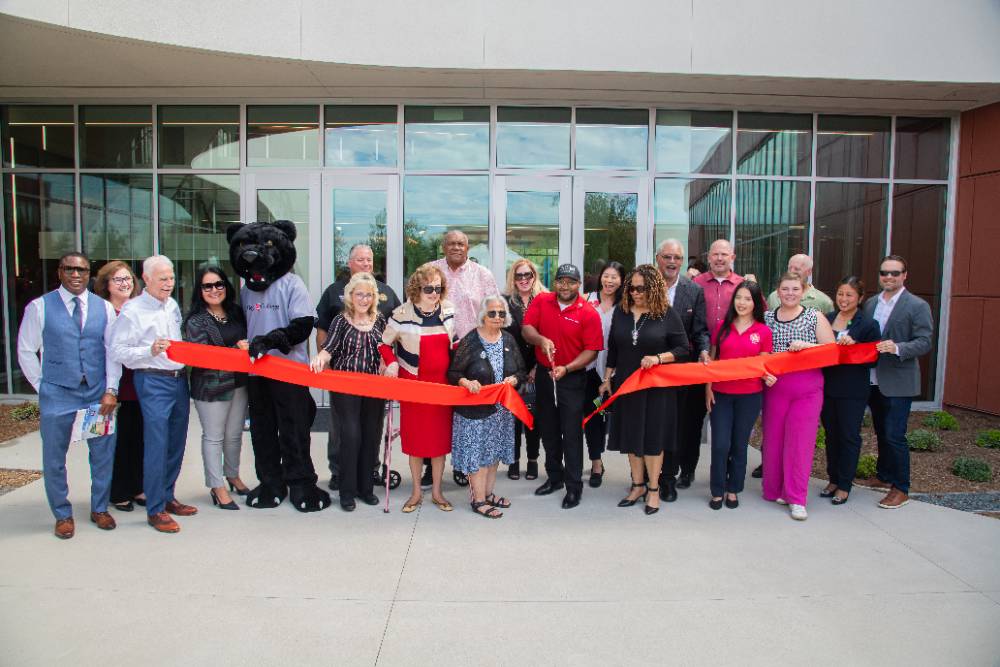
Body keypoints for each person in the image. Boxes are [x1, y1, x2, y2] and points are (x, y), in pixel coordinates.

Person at [16, 252, 121, 539]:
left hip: (95, 395)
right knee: (54, 457)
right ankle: (62, 513)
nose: (76, 275)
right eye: (70, 269)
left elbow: (112, 352)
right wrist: (43, 386)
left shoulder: (103, 308)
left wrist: (111, 390)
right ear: (60, 272)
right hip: (58, 394)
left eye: (82, 270)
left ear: (90, 274)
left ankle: (99, 508)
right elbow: (26, 349)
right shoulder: (40, 307)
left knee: (101, 454)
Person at [109, 255, 195, 534]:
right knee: (156, 444)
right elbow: (117, 351)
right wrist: (149, 351)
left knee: (176, 442)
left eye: (171, 278)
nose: (169, 284)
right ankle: (155, 509)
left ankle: (167, 496)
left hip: (179, 379)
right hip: (153, 381)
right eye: (163, 279)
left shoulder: (170, 305)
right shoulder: (133, 311)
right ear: (146, 280)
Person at [602, 265, 689, 515]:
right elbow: (614, 349)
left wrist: (659, 358)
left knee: (652, 439)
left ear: (653, 288)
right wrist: (607, 378)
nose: (635, 293)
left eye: (641, 288)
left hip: (656, 387)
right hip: (627, 385)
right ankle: (637, 485)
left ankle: (653, 489)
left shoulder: (666, 314)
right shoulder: (622, 311)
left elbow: (684, 349)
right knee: (631, 437)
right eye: (631, 288)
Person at [315, 244, 400, 492]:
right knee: (343, 429)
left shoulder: (386, 292)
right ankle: (339, 472)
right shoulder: (334, 292)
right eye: (361, 259)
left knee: (372, 428)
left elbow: (394, 330)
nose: (366, 264)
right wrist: (325, 362)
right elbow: (323, 330)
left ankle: (368, 472)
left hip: (374, 377)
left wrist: (390, 362)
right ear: (350, 262)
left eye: (370, 260)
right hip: (343, 376)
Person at [521, 263, 604, 509]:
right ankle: (555, 478)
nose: (565, 286)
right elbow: (527, 329)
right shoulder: (541, 301)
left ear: (579, 285)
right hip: (546, 376)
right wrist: (541, 339)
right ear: (555, 282)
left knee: (571, 434)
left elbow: (592, 352)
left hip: (572, 378)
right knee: (548, 429)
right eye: (561, 281)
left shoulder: (588, 312)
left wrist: (567, 368)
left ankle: (573, 486)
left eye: (570, 282)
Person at [380, 263, 458, 512]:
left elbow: (455, 344)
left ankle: (437, 491)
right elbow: (384, 344)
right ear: (416, 289)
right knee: (415, 442)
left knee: (438, 442)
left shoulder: (448, 310)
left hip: (441, 387)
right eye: (428, 288)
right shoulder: (401, 313)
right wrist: (391, 363)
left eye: (438, 288)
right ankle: (415, 492)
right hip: (412, 385)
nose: (434, 293)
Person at [761, 272, 836, 521]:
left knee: (800, 441)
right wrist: (764, 373)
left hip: (807, 386)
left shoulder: (815, 317)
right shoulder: (767, 317)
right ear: (777, 292)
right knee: (774, 440)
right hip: (776, 386)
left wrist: (807, 347)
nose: (790, 293)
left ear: (803, 291)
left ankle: (797, 497)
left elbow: (832, 352)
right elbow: (760, 353)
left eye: (795, 289)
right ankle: (776, 489)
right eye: (785, 289)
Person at [310, 272, 387, 511]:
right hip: (347, 388)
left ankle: (366, 489)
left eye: (368, 295)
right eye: (359, 294)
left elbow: (386, 350)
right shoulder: (341, 321)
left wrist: (388, 364)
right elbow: (329, 348)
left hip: (374, 388)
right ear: (350, 297)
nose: (364, 299)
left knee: (370, 437)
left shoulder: (380, 320)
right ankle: (347, 492)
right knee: (351, 437)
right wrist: (319, 358)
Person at [862, 255, 933, 509]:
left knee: (894, 434)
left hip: (899, 380)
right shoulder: (871, 303)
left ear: (905, 275)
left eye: (894, 273)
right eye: (884, 273)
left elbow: (925, 341)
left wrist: (898, 347)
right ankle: (884, 475)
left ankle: (901, 487)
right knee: (881, 431)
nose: (889, 277)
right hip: (873, 378)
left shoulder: (917, 305)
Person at [448, 296, 527, 518]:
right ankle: (478, 499)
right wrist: (466, 382)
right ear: (483, 315)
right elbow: (454, 373)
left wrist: (514, 380)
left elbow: (521, 371)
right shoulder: (470, 341)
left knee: (493, 456)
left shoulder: (509, 340)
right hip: (474, 411)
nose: (497, 317)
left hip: (501, 411)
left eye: (501, 313)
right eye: (492, 313)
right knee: (479, 457)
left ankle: (489, 494)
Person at [431, 230, 499, 487]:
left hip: (472, 351)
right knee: (436, 410)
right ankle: (432, 464)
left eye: (461, 243)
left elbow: (493, 312)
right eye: (451, 243)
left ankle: (462, 465)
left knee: (466, 412)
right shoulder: (431, 271)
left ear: (468, 247)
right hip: (437, 348)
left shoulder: (483, 275)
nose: (456, 247)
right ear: (443, 246)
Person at [183, 266, 250, 511]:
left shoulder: (235, 312)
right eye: (207, 286)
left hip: (239, 382)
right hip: (211, 387)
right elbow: (202, 357)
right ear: (199, 290)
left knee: (234, 436)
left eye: (219, 284)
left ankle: (233, 476)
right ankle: (216, 485)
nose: (214, 290)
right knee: (214, 437)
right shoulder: (195, 320)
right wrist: (236, 351)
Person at [705, 281, 774, 510]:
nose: (742, 303)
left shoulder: (763, 332)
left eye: (747, 299)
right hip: (721, 395)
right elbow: (712, 363)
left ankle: (733, 489)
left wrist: (769, 376)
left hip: (749, 396)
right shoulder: (722, 328)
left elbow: (763, 365)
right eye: (738, 298)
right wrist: (708, 389)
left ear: (755, 303)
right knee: (720, 445)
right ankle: (717, 490)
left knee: (739, 445)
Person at [655, 239, 710, 500]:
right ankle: (645, 477)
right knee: (652, 424)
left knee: (677, 425)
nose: (672, 262)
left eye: (677, 257)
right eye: (667, 257)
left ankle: (671, 476)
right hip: (649, 369)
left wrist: (704, 350)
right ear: (658, 258)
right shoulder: (645, 285)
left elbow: (700, 331)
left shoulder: (694, 290)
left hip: (681, 370)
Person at [820, 276, 881, 506]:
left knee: (848, 436)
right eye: (840, 294)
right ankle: (833, 479)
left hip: (852, 391)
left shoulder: (867, 324)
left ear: (860, 298)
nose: (843, 299)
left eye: (849, 295)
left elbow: (874, 359)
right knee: (831, 435)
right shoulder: (827, 319)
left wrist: (854, 349)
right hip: (827, 387)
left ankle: (845, 484)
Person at [93, 261, 145, 513]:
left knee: (137, 437)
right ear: (106, 285)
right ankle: (118, 490)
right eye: (118, 280)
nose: (125, 284)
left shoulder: (137, 308)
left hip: (138, 381)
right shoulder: (102, 311)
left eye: (128, 279)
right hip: (113, 384)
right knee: (117, 440)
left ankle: (137, 486)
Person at [503, 258, 546, 481]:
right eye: (518, 276)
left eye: (527, 275)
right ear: (513, 278)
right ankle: (513, 461)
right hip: (511, 368)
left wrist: (539, 367)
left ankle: (532, 461)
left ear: (534, 276)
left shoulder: (545, 300)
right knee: (512, 418)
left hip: (537, 367)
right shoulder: (505, 302)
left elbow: (549, 335)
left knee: (533, 418)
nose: (523, 280)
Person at [583, 261, 624, 488]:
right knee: (592, 418)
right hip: (589, 369)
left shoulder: (626, 305)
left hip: (616, 369)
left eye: (615, 277)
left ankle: (638, 470)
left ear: (621, 281)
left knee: (619, 418)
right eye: (606, 276)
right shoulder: (587, 300)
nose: (609, 281)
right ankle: (596, 463)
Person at [693, 239, 744, 336]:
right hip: (701, 346)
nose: (719, 258)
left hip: (732, 345)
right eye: (715, 254)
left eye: (724, 254)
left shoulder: (742, 284)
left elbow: (759, 311)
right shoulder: (696, 282)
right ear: (708, 258)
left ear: (732, 258)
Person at [766, 254, 834, 314]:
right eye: (789, 268)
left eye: (797, 269)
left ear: (809, 272)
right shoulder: (773, 297)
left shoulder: (824, 302)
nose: (791, 272)